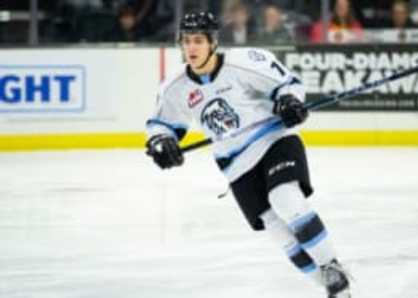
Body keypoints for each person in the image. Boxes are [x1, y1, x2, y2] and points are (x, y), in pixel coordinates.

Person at [145, 12, 351, 298]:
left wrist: (289, 101)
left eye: (198, 41)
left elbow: (288, 85)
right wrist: (161, 143)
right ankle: (332, 288)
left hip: (273, 141)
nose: (191, 48)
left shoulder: (244, 63)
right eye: (186, 41)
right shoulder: (175, 87)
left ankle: (331, 265)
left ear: (212, 43)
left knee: (285, 198)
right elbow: (161, 125)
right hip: (236, 164)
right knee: (276, 228)